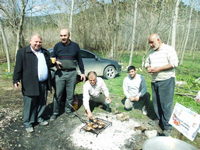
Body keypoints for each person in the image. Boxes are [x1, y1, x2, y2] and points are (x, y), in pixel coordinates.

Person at [13, 34, 53, 133]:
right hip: (29, 83)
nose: (38, 44)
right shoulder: (22, 52)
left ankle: (39, 117)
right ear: (30, 41)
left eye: (40, 42)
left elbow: (48, 63)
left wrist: (55, 63)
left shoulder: (45, 52)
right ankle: (28, 123)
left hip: (43, 83)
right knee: (30, 104)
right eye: (36, 41)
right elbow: (18, 68)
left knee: (42, 102)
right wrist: (16, 79)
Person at [145, 33, 178, 136]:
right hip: (155, 80)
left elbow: (174, 63)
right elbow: (146, 63)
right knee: (156, 102)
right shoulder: (151, 52)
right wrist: (148, 67)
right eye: (149, 43)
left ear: (158, 40)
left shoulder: (169, 49)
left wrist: (159, 68)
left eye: (152, 42)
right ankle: (158, 119)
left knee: (166, 104)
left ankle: (167, 126)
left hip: (166, 80)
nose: (150, 44)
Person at [50, 28, 86, 121]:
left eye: (65, 35)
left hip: (72, 73)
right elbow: (52, 58)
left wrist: (82, 72)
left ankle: (68, 110)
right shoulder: (57, 46)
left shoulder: (75, 46)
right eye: (61, 35)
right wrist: (55, 62)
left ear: (68, 35)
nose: (63, 37)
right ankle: (55, 112)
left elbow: (79, 60)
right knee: (58, 94)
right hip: (60, 73)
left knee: (70, 94)